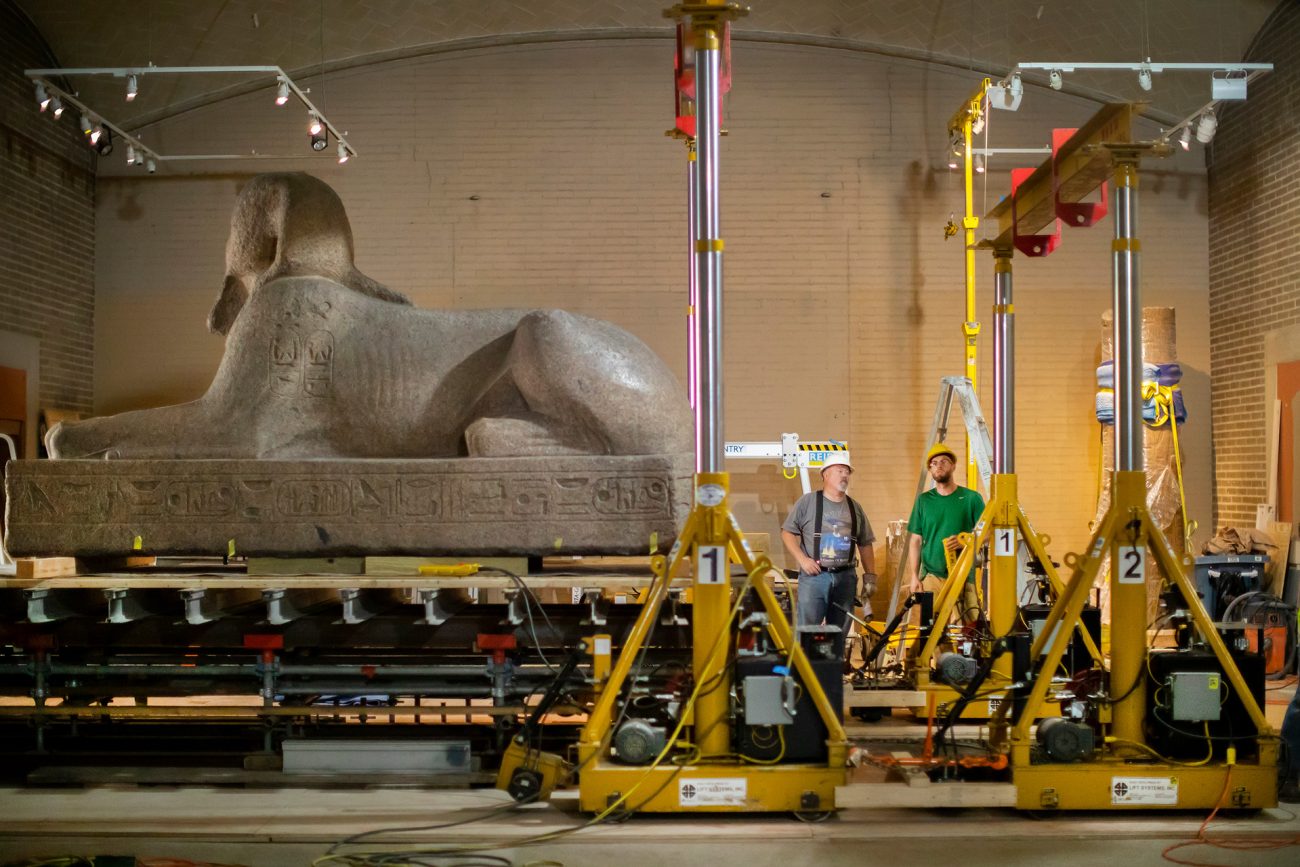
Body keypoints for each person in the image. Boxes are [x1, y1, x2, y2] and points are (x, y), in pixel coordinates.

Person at [780, 455, 876, 660]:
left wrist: (870, 577)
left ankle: (832, 677)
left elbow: (865, 542)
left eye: (847, 471)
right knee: (808, 630)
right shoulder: (808, 502)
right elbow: (787, 532)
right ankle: (805, 677)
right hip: (815, 577)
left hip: (845, 577)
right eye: (839, 470)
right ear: (825, 474)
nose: (845, 475)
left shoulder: (855, 507)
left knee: (838, 632)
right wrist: (802, 560)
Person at [905, 442, 986, 626]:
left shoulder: (971, 499)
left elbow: (988, 532)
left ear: (953, 466)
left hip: (964, 576)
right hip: (932, 576)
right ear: (930, 469)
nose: (938, 465)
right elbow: (915, 540)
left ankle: (965, 656)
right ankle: (942, 657)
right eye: (934, 463)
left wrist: (965, 540)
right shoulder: (924, 501)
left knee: (971, 629)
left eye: (944, 461)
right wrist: (914, 576)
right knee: (928, 630)